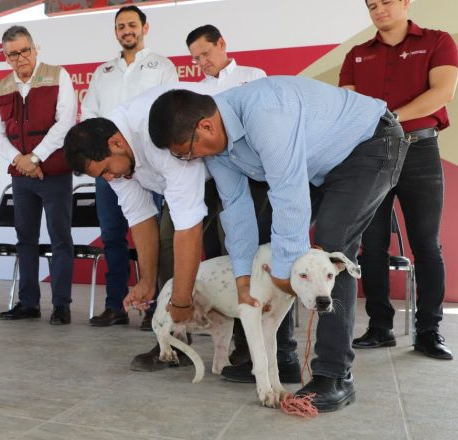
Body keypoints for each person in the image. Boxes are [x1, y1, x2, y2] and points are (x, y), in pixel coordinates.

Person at [147, 76, 408, 412]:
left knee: (326, 249)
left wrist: (286, 273)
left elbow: (290, 195)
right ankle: (281, 358)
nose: (189, 160)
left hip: (371, 143)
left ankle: (334, 375)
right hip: (318, 165)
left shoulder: (265, 114)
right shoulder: (218, 150)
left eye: (186, 153)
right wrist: (244, 279)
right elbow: (237, 212)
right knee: (271, 232)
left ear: (207, 127)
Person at [64, 82, 216, 369]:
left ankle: (253, 349)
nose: (108, 179)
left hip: (231, 168)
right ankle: (174, 343)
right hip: (187, 178)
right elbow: (141, 218)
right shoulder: (116, 159)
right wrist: (146, 281)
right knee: (167, 247)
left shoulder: (158, 132)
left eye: (107, 170)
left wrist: (182, 301)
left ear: (117, 144)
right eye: (101, 176)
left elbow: (189, 225)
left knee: (229, 248)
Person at [344, 0, 458, 360]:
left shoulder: (437, 41)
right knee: (371, 246)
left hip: (419, 151)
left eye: (387, 2)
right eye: (372, 5)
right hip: (371, 154)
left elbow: (443, 92)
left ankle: (429, 331)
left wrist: (391, 117)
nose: (379, 9)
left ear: (406, 2)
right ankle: (380, 327)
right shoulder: (357, 54)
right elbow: (348, 104)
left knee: (426, 244)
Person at [186, 24, 299, 384]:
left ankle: (282, 350)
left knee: (267, 261)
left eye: (205, 53)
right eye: (195, 58)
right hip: (219, 184)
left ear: (222, 44)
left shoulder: (254, 77)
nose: (201, 62)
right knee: (227, 260)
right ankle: (243, 348)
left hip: (261, 183)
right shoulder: (195, 92)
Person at [80, 5, 177, 329]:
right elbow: (88, 114)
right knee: (112, 237)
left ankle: (157, 306)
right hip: (110, 167)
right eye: (120, 26)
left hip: (151, 164)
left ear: (145, 27)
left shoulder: (161, 66)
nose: (126, 30)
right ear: (116, 32)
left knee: (162, 239)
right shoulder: (103, 72)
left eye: (132, 24)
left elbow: (170, 108)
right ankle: (115, 305)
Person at [0, 25, 77, 325]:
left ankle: (62, 305)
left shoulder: (58, 75)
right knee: (25, 239)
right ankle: (28, 303)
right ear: (6, 56)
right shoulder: (1, 86)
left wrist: (35, 157)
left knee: (60, 240)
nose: (20, 58)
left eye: (25, 50)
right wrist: (20, 160)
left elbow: (64, 123)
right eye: (13, 54)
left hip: (54, 173)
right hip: (21, 176)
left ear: (35, 49)